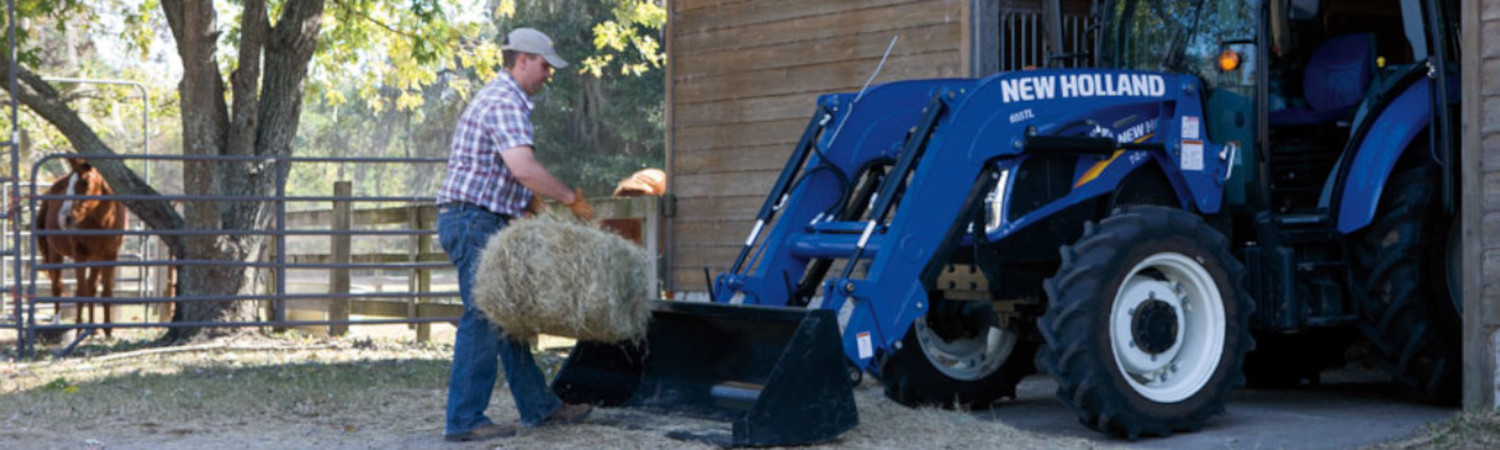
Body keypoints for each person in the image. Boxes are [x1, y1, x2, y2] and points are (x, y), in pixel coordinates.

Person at [435, 27, 596, 442]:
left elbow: (507, 174)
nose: (548, 74)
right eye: (544, 65)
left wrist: (529, 204)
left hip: (480, 218)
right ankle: (465, 419)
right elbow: (523, 168)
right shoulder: (505, 101)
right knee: (486, 315)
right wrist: (568, 198)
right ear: (521, 59)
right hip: (474, 221)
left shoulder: (504, 99)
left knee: (509, 317)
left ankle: (539, 408)